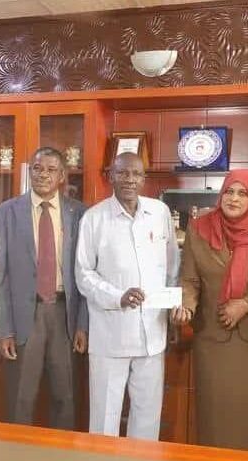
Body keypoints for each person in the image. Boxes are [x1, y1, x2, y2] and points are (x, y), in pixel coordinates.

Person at [172, 169, 248, 452]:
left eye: (242, 193)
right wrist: (186, 306)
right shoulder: (199, 229)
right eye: (229, 191)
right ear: (221, 194)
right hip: (213, 341)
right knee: (216, 420)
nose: (234, 199)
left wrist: (246, 304)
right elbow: (189, 279)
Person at [75, 152, 180, 440]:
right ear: (111, 176)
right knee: (104, 419)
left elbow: (172, 266)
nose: (129, 180)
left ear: (144, 179)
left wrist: (171, 311)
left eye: (136, 174)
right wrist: (117, 296)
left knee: (147, 417)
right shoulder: (94, 218)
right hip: (111, 336)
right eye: (122, 173)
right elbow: (84, 274)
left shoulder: (159, 212)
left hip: (152, 335)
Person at [0, 147, 87, 430]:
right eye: (37, 168)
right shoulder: (6, 213)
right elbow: (0, 276)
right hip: (25, 316)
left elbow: (86, 274)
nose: (43, 174)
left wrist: (82, 325)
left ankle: (62, 453)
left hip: (64, 315)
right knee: (20, 399)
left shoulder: (79, 213)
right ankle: (17, 453)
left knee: (65, 398)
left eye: (50, 169)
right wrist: (4, 330)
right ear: (29, 172)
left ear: (62, 176)